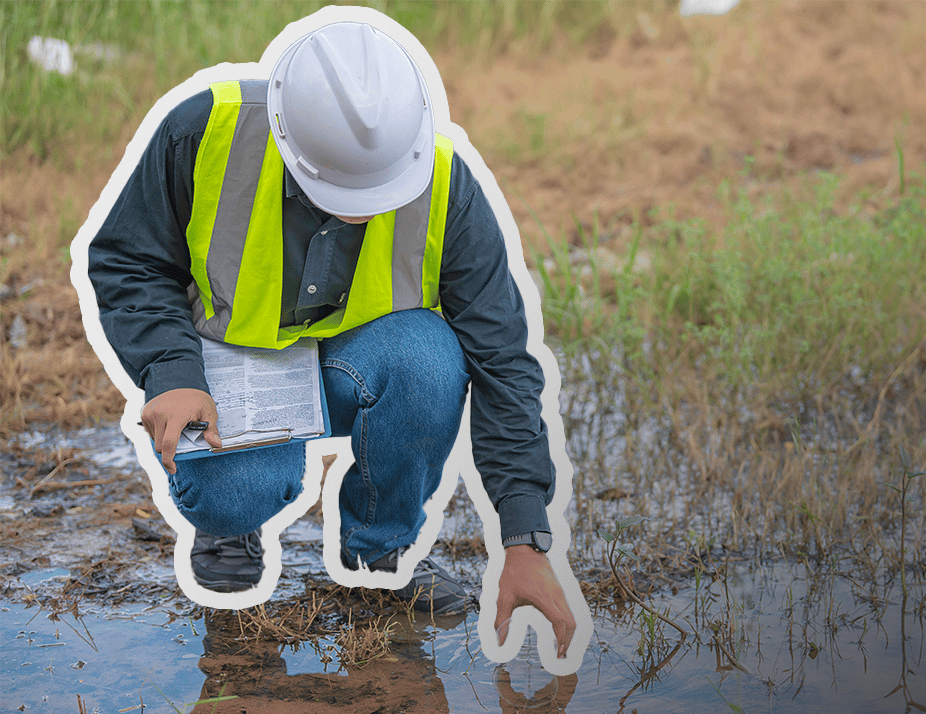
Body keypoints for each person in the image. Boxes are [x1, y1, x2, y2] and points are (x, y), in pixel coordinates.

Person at [84, 19, 576, 658]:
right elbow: (130, 260)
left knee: (430, 356)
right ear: (287, 138)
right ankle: (230, 529)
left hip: (359, 364)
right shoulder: (203, 130)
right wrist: (171, 370)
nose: (360, 209)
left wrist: (524, 539)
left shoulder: (448, 183)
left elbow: (502, 356)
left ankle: (380, 549)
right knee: (233, 496)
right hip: (229, 373)